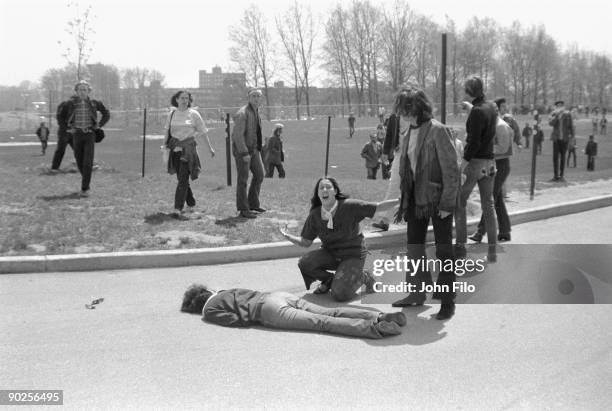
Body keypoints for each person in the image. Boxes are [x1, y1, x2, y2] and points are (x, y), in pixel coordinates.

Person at [386, 85, 460, 320]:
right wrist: (403, 199)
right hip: (415, 201)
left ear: (419, 107)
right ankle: (416, 293)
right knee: (414, 248)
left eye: (407, 109)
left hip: (438, 201)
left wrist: (448, 204)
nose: (404, 114)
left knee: (444, 251)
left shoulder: (438, 130)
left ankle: (448, 301)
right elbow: (408, 170)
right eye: (402, 109)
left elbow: (452, 170)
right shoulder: (407, 133)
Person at [280, 177, 398, 302]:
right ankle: (329, 279)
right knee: (305, 263)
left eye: (328, 187)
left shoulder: (350, 206)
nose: (325, 189)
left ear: (335, 191)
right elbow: (305, 242)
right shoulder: (315, 215)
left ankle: (364, 276)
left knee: (339, 294)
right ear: (318, 194)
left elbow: (378, 207)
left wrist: (399, 201)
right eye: (321, 188)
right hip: (331, 253)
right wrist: (287, 235)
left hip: (353, 255)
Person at [180, 284, 407, 339]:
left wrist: (248, 319)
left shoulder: (208, 310)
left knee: (321, 323)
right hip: (276, 296)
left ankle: (375, 329)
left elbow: (232, 321)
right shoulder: (224, 290)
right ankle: (379, 315)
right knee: (332, 311)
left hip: (267, 311)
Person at [454, 76, 498, 262]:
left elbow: (473, 143)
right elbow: (483, 117)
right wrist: (470, 108)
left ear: (469, 91)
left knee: (459, 201)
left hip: (476, 163)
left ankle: (461, 246)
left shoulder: (477, 112)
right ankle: (492, 251)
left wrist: (461, 165)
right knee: (488, 206)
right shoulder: (491, 107)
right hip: (490, 163)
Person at [469, 99, 514, 244]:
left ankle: (480, 232)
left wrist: (485, 149)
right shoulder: (492, 125)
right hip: (492, 163)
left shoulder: (501, 126)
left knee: (489, 199)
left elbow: (503, 148)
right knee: (497, 199)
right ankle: (505, 231)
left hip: (501, 165)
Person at [164, 90, 215, 216]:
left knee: (182, 179)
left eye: (187, 98)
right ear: (176, 99)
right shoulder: (172, 114)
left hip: (188, 152)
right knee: (182, 179)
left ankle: (177, 208)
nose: (184, 100)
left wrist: (210, 149)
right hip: (175, 150)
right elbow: (167, 131)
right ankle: (191, 203)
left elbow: (203, 132)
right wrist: (165, 145)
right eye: (182, 98)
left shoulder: (194, 114)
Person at [56, 80, 110, 197]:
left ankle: (85, 188)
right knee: (79, 160)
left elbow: (106, 113)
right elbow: (60, 116)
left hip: (90, 134)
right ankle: (86, 178)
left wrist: (99, 125)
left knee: (87, 161)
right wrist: (67, 128)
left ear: (88, 91)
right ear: (76, 91)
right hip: (76, 135)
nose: (82, 92)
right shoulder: (69, 104)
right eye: (80, 89)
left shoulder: (94, 103)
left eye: (85, 89)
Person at [231, 89, 266, 219]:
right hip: (243, 151)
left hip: (254, 150)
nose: (256, 98)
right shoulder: (243, 113)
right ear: (249, 97)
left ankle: (253, 204)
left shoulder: (256, 111)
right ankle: (243, 209)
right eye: (253, 96)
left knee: (260, 175)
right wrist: (244, 152)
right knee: (243, 180)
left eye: (258, 96)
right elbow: (237, 135)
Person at [371, 113, 401, 231]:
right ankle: (384, 219)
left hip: (417, 155)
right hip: (400, 153)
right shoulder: (395, 115)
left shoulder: (419, 109)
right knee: (394, 185)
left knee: (418, 188)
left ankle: (428, 218)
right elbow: (389, 134)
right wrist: (385, 152)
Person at [548, 100, 574, 182]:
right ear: (556, 107)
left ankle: (562, 176)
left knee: (563, 157)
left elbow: (571, 126)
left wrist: (572, 138)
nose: (559, 107)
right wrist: (556, 117)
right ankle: (555, 176)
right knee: (555, 157)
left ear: (563, 106)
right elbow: (551, 124)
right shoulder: (553, 114)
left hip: (565, 139)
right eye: (558, 105)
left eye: (561, 105)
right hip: (556, 139)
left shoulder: (568, 114)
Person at [50, 101, 74, 172]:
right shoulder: (64, 105)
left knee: (79, 150)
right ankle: (55, 168)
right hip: (64, 132)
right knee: (61, 149)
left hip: (74, 131)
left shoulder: (78, 105)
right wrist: (66, 129)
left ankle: (86, 166)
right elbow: (59, 119)